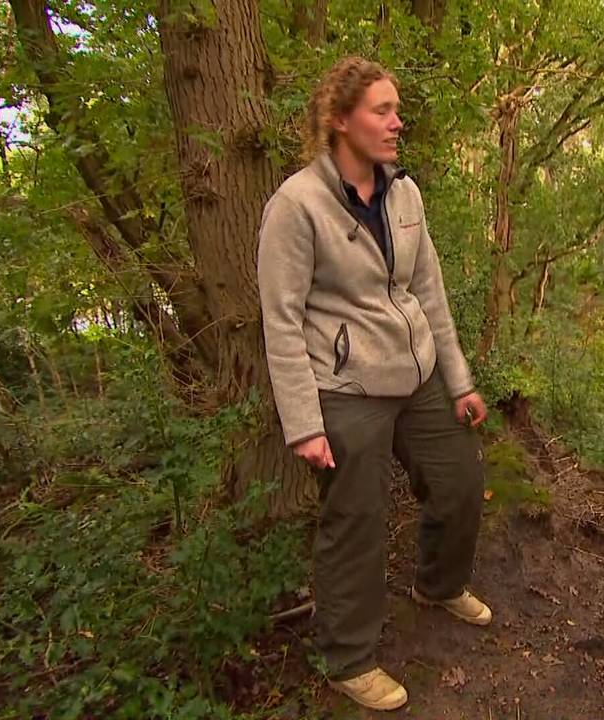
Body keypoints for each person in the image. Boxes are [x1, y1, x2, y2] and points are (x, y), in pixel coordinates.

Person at [256, 56, 490, 712]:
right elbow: (280, 321)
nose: (397, 121)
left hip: (415, 374)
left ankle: (439, 585)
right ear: (340, 120)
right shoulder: (296, 206)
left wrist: (459, 380)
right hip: (345, 387)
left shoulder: (404, 193)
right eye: (382, 110)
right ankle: (348, 658)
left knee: (461, 481)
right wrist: (303, 422)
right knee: (355, 519)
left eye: (397, 109)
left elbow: (429, 292)